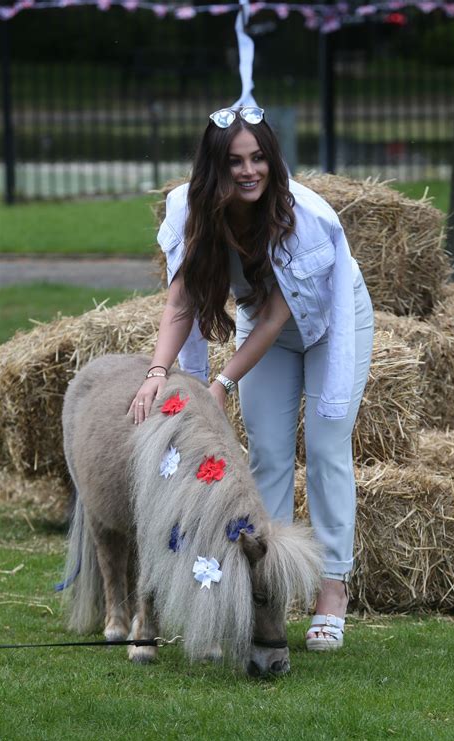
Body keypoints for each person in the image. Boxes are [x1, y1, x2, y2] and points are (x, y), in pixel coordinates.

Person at [128, 106, 374, 651]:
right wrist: (157, 372)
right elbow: (182, 299)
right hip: (262, 323)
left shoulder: (301, 219)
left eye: (259, 157)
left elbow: (276, 319)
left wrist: (221, 384)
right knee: (266, 453)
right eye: (236, 160)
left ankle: (333, 588)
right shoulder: (192, 212)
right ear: (215, 168)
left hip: (332, 321)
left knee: (327, 445)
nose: (249, 170)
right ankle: (268, 587)